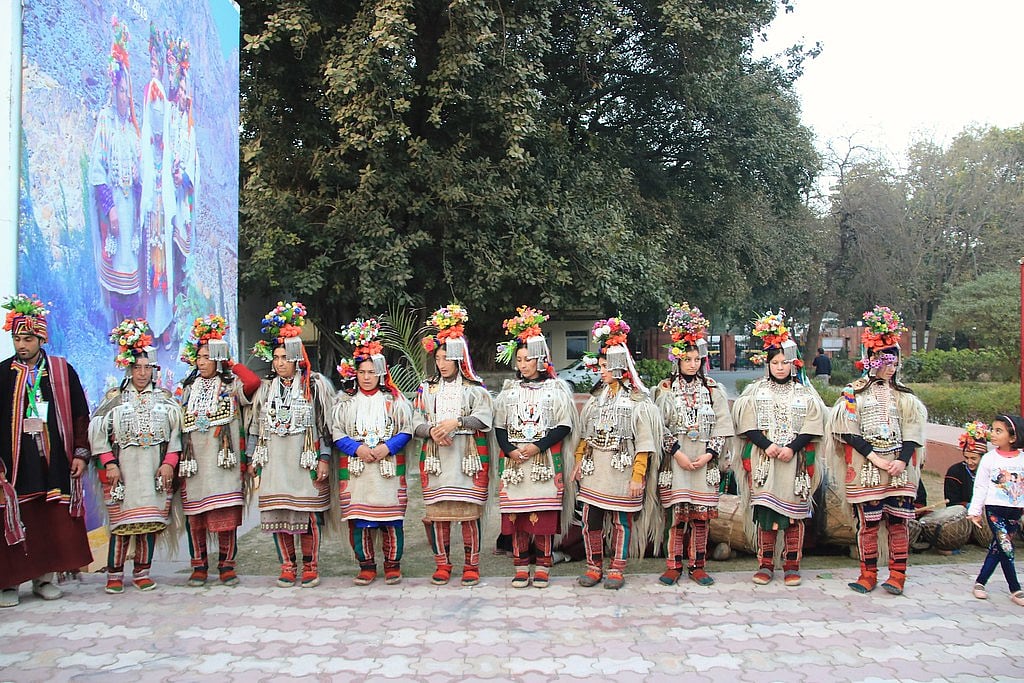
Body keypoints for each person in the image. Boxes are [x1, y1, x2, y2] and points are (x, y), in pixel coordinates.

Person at [0, 295, 93, 608]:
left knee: (49, 518)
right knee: (14, 517)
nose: (21, 345)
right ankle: (10, 583)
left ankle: (45, 579)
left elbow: (81, 414)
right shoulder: (2, 375)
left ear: (41, 338)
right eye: (16, 338)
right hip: (14, 464)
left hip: (52, 461)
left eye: (27, 339)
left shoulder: (61, 371)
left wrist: (80, 453)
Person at [828, 306, 926, 596]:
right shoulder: (853, 394)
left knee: (898, 522)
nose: (891, 365)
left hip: (899, 469)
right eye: (885, 359)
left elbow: (913, 430)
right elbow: (846, 429)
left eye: (894, 359)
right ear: (870, 360)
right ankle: (867, 574)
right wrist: (874, 458)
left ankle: (897, 575)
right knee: (868, 524)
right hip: (868, 469)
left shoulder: (906, 397)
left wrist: (900, 461)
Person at [90, 318, 183, 593]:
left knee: (149, 523)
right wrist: (110, 464)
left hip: (154, 470)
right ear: (128, 369)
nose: (142, 373)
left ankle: (143, 572)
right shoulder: (115, 398)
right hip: (124, 471)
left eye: (147, 368)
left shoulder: (165, 400)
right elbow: (97, 433)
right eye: (137, 367)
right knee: (122, 524)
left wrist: (168, 464)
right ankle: (115, 573)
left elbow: (176, 436)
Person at [732, 310, 824, 586]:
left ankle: (792, 565)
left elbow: (813, 424)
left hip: (793, 463)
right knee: (765, 514)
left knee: (795, 515)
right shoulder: (755, 391)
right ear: (768, 364)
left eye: (785, 362)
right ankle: (766, 564)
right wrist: (768, 445)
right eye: (775, 362)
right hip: (765, 462)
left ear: (793, 364)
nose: (780, 367)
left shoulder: (805, 393)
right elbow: (746, 425)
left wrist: (793, 448)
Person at [571, 318, 661, 590]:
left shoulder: (638, 403)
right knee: (591, 520)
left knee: (622, 521)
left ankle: (617, 569)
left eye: (605, 366)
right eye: (600, 366)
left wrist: (638, 476)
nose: (601, 371)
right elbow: (585, 437)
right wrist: (578, 462)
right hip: (594, 471)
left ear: (620, 366)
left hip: (622, 472)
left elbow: (644, 443)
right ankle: (594, 566)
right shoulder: (596, 399)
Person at [248, 302, 334, 588]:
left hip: (303, 460)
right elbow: (256, 426)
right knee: (278, 515)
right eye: (276, 357)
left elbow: (325, 426)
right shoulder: (266, 389)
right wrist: (252, 459)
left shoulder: (315, 385)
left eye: (285, 357)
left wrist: (323, 458)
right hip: (274, 461)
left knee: (306, 514)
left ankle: (310, 565)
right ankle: (287, 565)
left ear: (298, 357)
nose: (280, 362)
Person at [493, 306, 578, 588]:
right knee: (516, 517)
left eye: (528, 359)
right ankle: (520, 566)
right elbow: (500, 427)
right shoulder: (509, 391)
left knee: (542, 518)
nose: (523, 364)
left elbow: (564, 425)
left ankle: (542, 566)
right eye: (519, 359)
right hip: (516, 463)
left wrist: (536, 447)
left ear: (541, 359)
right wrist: (510, 450)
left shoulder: (557, 389)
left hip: (543, 462)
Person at [654, 302, 734, 587]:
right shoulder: (664, 389)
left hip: (703, 461)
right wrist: (676, 453)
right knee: (678, 515)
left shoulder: (713, 389)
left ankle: (698, 565)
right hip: (677, 461)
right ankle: (673, 565)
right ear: (677, 360)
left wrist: (709, 454)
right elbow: (659, 425)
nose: (692, 364)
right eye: (687, 359)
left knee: (701, 517)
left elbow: (723, 426)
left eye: (696, 360)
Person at [412, 305, 493, 587]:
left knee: (469, 514)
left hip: (466, 457)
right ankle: (443, 564)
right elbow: (415, 420)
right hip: (437, 457)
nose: (442, 363)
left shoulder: (475, 388)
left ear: (460, 359)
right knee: (438, 515)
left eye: (447, 358)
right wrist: (432, 430)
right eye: (438, 357)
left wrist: (455, 423)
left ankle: (472, 565)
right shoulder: (427, 388)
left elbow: (484, 418)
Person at [176, 315, 260, 586]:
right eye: (199, 357)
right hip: (195, 463)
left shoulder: (231, 386)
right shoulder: (187, 388)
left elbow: (253, 383)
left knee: (225, 515)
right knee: (196, 518)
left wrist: (231, 363)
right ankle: (199, 566)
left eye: (208, 357)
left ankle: (227, 566)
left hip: (224, 463)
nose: (201, 362)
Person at [333, 318, 414, 586]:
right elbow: (336, 432)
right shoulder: (345, 402)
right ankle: (366, 565)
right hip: (357, 469)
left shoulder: (395, 401)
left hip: (387, 467)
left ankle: (393, 564)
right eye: (362, 372)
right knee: (359, 519)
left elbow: (406, 430)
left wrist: (386, 447)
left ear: (381, 373)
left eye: (372, 372)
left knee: (391, 520)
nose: (367, 377)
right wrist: (356, 448)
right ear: (355, 373)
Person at [89, 16, 142, 322]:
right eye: (120, 91)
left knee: (129, 257)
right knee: (114, 256)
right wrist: (110, 209)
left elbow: (138, 172)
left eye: (127, 93)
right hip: (113, 205)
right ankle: (115, 323)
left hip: (130, 202)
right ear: (113, 91)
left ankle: (129, 326)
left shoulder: (131, 129)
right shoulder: (105, 122)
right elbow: (97, 170)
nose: (124, 97)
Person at [140, 23, 175, 346]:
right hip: (151, 209)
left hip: (165, 209)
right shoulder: (150, 94)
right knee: (150, 270)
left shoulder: (164, 99)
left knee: (164, 270)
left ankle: (164, 322)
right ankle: (150, 322)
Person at [967, 414, 1024, 606]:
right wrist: (975, 511)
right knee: (1006, 547)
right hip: (995, 510)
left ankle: (980, 583)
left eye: (999, 431)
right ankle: (1015, 589)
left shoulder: (1023, 459)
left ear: (1013, 437)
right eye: (993, 429)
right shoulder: (989, 459)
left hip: (1015, 510)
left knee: (998, 548)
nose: (993, 433)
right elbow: (981, 486)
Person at [947, 421, 988, 508]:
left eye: (973, 458)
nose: (969, 462)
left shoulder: (991, 472)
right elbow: (951, 502)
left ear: (983, 457)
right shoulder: (955, 472)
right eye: (966, 458)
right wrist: (967, 505)